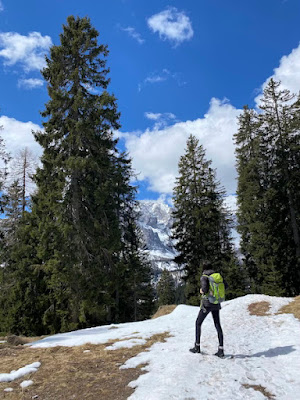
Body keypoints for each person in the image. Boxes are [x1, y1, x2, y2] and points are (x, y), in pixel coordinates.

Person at [189, 261, 227, 357]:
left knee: (198, 323)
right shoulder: (217, 276)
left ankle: (197, 347)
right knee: (217, 324)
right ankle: (221, 349)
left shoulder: (204, 277)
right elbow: (226, 285)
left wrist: (202, 290)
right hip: (216, 303)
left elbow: (205, 290)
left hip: (207, 304)